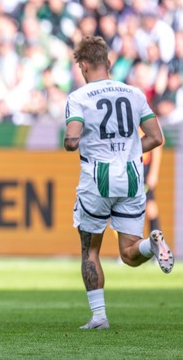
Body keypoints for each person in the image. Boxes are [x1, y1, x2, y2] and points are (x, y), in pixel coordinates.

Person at [64, 36, 174, 330]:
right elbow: (156, 137)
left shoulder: (79, 97)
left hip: (97, 178)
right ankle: (152, 245)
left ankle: (99, 316)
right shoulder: (134, 93)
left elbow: (72, 140)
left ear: (84, 66)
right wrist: (129, 149)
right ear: (109, 63)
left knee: (90, 250)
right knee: (129, 253)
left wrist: (72, 139)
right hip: (131, 176)